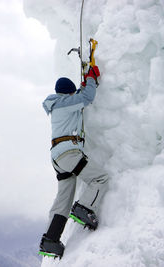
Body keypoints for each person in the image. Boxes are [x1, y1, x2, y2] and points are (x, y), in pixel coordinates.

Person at [39, 65, 109, 259]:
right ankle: (84, 209)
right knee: (101, 178)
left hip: (57, 157)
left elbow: (79, 98)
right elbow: (86, 98)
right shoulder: (64, 103)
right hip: (69, 153)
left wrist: (83, 87)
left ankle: (50, 240)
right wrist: (92, 79)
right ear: (67, 93)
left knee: (63, 200)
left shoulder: (58, 104)